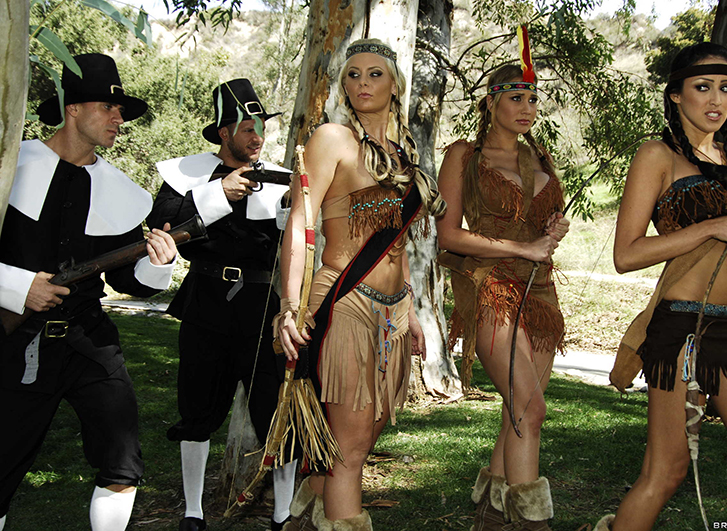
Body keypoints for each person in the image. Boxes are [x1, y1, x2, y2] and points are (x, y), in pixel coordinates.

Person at [593, 42, 727, 531]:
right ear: (676, 95)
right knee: (665, 472)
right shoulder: (656, 155)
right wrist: (709, 227)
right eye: (703, 87)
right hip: (681, 332)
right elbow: (626, 255)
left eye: (726, 88)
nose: (716, 100)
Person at [0, 53, 177, 531]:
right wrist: (18, 287)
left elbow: (127, 281)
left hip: (88, 341)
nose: (119, 119)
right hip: (16, 342)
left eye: (120, 111)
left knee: (122, 461)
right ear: (72, 108)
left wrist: (159, 263)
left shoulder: (121, 190)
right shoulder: (10, 165)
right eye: (108, 107)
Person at [275, 39, 445, 531]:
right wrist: (290, 303)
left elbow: (399, 244)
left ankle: (304, 520)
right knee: (349, 452)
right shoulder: (332, 138)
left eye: (375, 74)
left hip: (394, 311)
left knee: (355, 445)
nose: (363, 83)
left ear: (395, 85)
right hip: (345, 301)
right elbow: (300, 222)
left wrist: (412, 311)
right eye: (353, 74)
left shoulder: (403, 154)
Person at [146, 78, 296, 531]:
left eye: (261, 127)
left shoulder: (280, 178)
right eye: (247, 128)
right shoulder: (186, 176)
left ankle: (283, 515)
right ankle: (193, 512)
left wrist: (291, 209)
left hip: (262, 309)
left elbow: (297, 237)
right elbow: (161, 226)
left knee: (275, 411)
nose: (257, 136)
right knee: (197, 409)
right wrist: (217, 194)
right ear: (224, 132)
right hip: (205, 304)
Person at [436, 57, 570, 530]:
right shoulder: (464, 156)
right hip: (490, 286)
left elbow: (540, 229)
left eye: (533, 98)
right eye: (516, 97)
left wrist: (552, 231)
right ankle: (532, 522)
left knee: (518, 411)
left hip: (541, 291)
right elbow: (448, 235)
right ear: (491, 103)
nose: (527, 107)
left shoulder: (540, 158)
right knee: (530, 410)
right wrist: (523, 247)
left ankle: (491, 517)